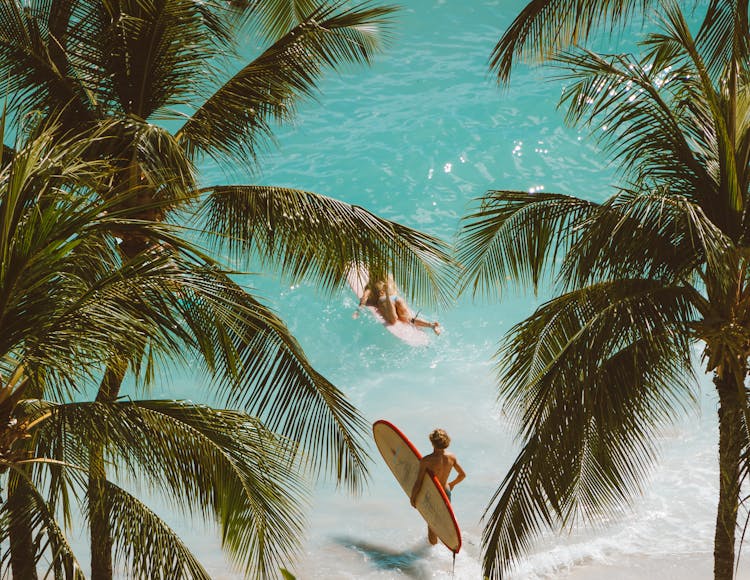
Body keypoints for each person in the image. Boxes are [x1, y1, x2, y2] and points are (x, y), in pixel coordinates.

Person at [410, 428, 466, 545]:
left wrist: (413, 498)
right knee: (442, 521)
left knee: (432, 524)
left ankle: (432, 551)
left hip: (433, 493)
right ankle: (445, 546)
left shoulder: (426, 461)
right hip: (445, 492)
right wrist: (451, 484)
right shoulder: (452, 457)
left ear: (432, 442)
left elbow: (418, 482)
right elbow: (462, 475)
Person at [353, 275, 441, 335]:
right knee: (409, 319)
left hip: (384, 299)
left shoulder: (370, 285)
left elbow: (364, 299)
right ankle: (432, 325)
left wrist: (358, 311)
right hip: (396, 298)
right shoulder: (389, 277)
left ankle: (386, 294)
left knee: (393, 320)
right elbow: (396, 290)